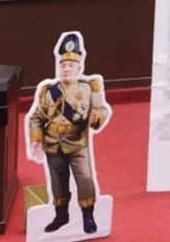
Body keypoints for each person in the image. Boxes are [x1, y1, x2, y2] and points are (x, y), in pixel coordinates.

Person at [29, 33, 108, 234]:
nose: (65, 69)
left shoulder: (89, 88)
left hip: (77, 142)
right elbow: (36, 117)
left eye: (70, 65)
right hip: (53, 143)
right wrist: (37, 139)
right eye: (63, 65)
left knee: (85, 178)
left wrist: (96, 117)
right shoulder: (48, 92)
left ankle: (88, 216)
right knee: (57, 181)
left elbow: (100, 109)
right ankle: (61, 215)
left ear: (79, 68)